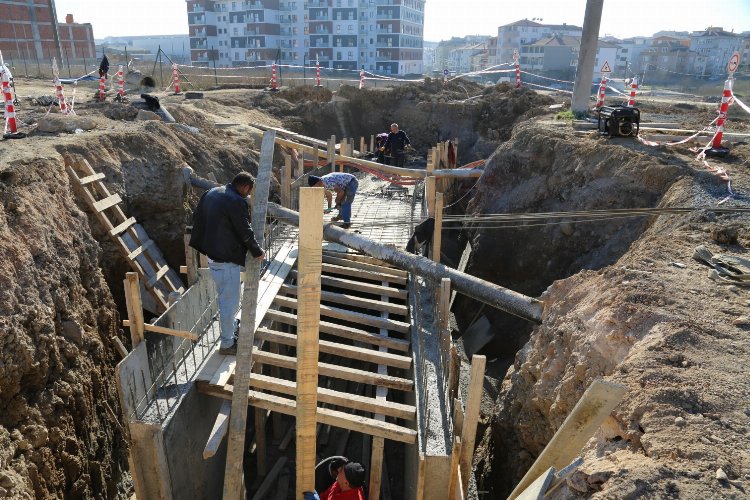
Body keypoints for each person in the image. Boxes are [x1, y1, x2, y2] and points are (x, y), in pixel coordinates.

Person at [189, 172, 265, 355]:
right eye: (249, 192)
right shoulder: (236, 201)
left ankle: (230, 327)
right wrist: (257, 251)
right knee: (229, 302)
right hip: (225, 259)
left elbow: (197, 217)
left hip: (212, 253)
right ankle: (227, 343)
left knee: (227, 296)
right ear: (245, 186)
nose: (248, 195)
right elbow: (244, 230)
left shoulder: (214, 191)